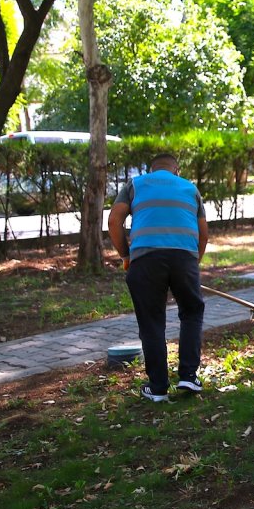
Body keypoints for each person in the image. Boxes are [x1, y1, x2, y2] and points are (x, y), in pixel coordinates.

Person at [108, 153, 210, 402]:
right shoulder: (190, 188)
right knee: (191, 312)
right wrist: (191, 264)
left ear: (150, 169)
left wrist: (125, 255)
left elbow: (113, 221)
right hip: (184, 258)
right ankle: (188, 375)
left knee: (151, 321)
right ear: (177, 170)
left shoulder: (136, 184)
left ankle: (158, 388)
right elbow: (203, 234)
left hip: (145, 260)